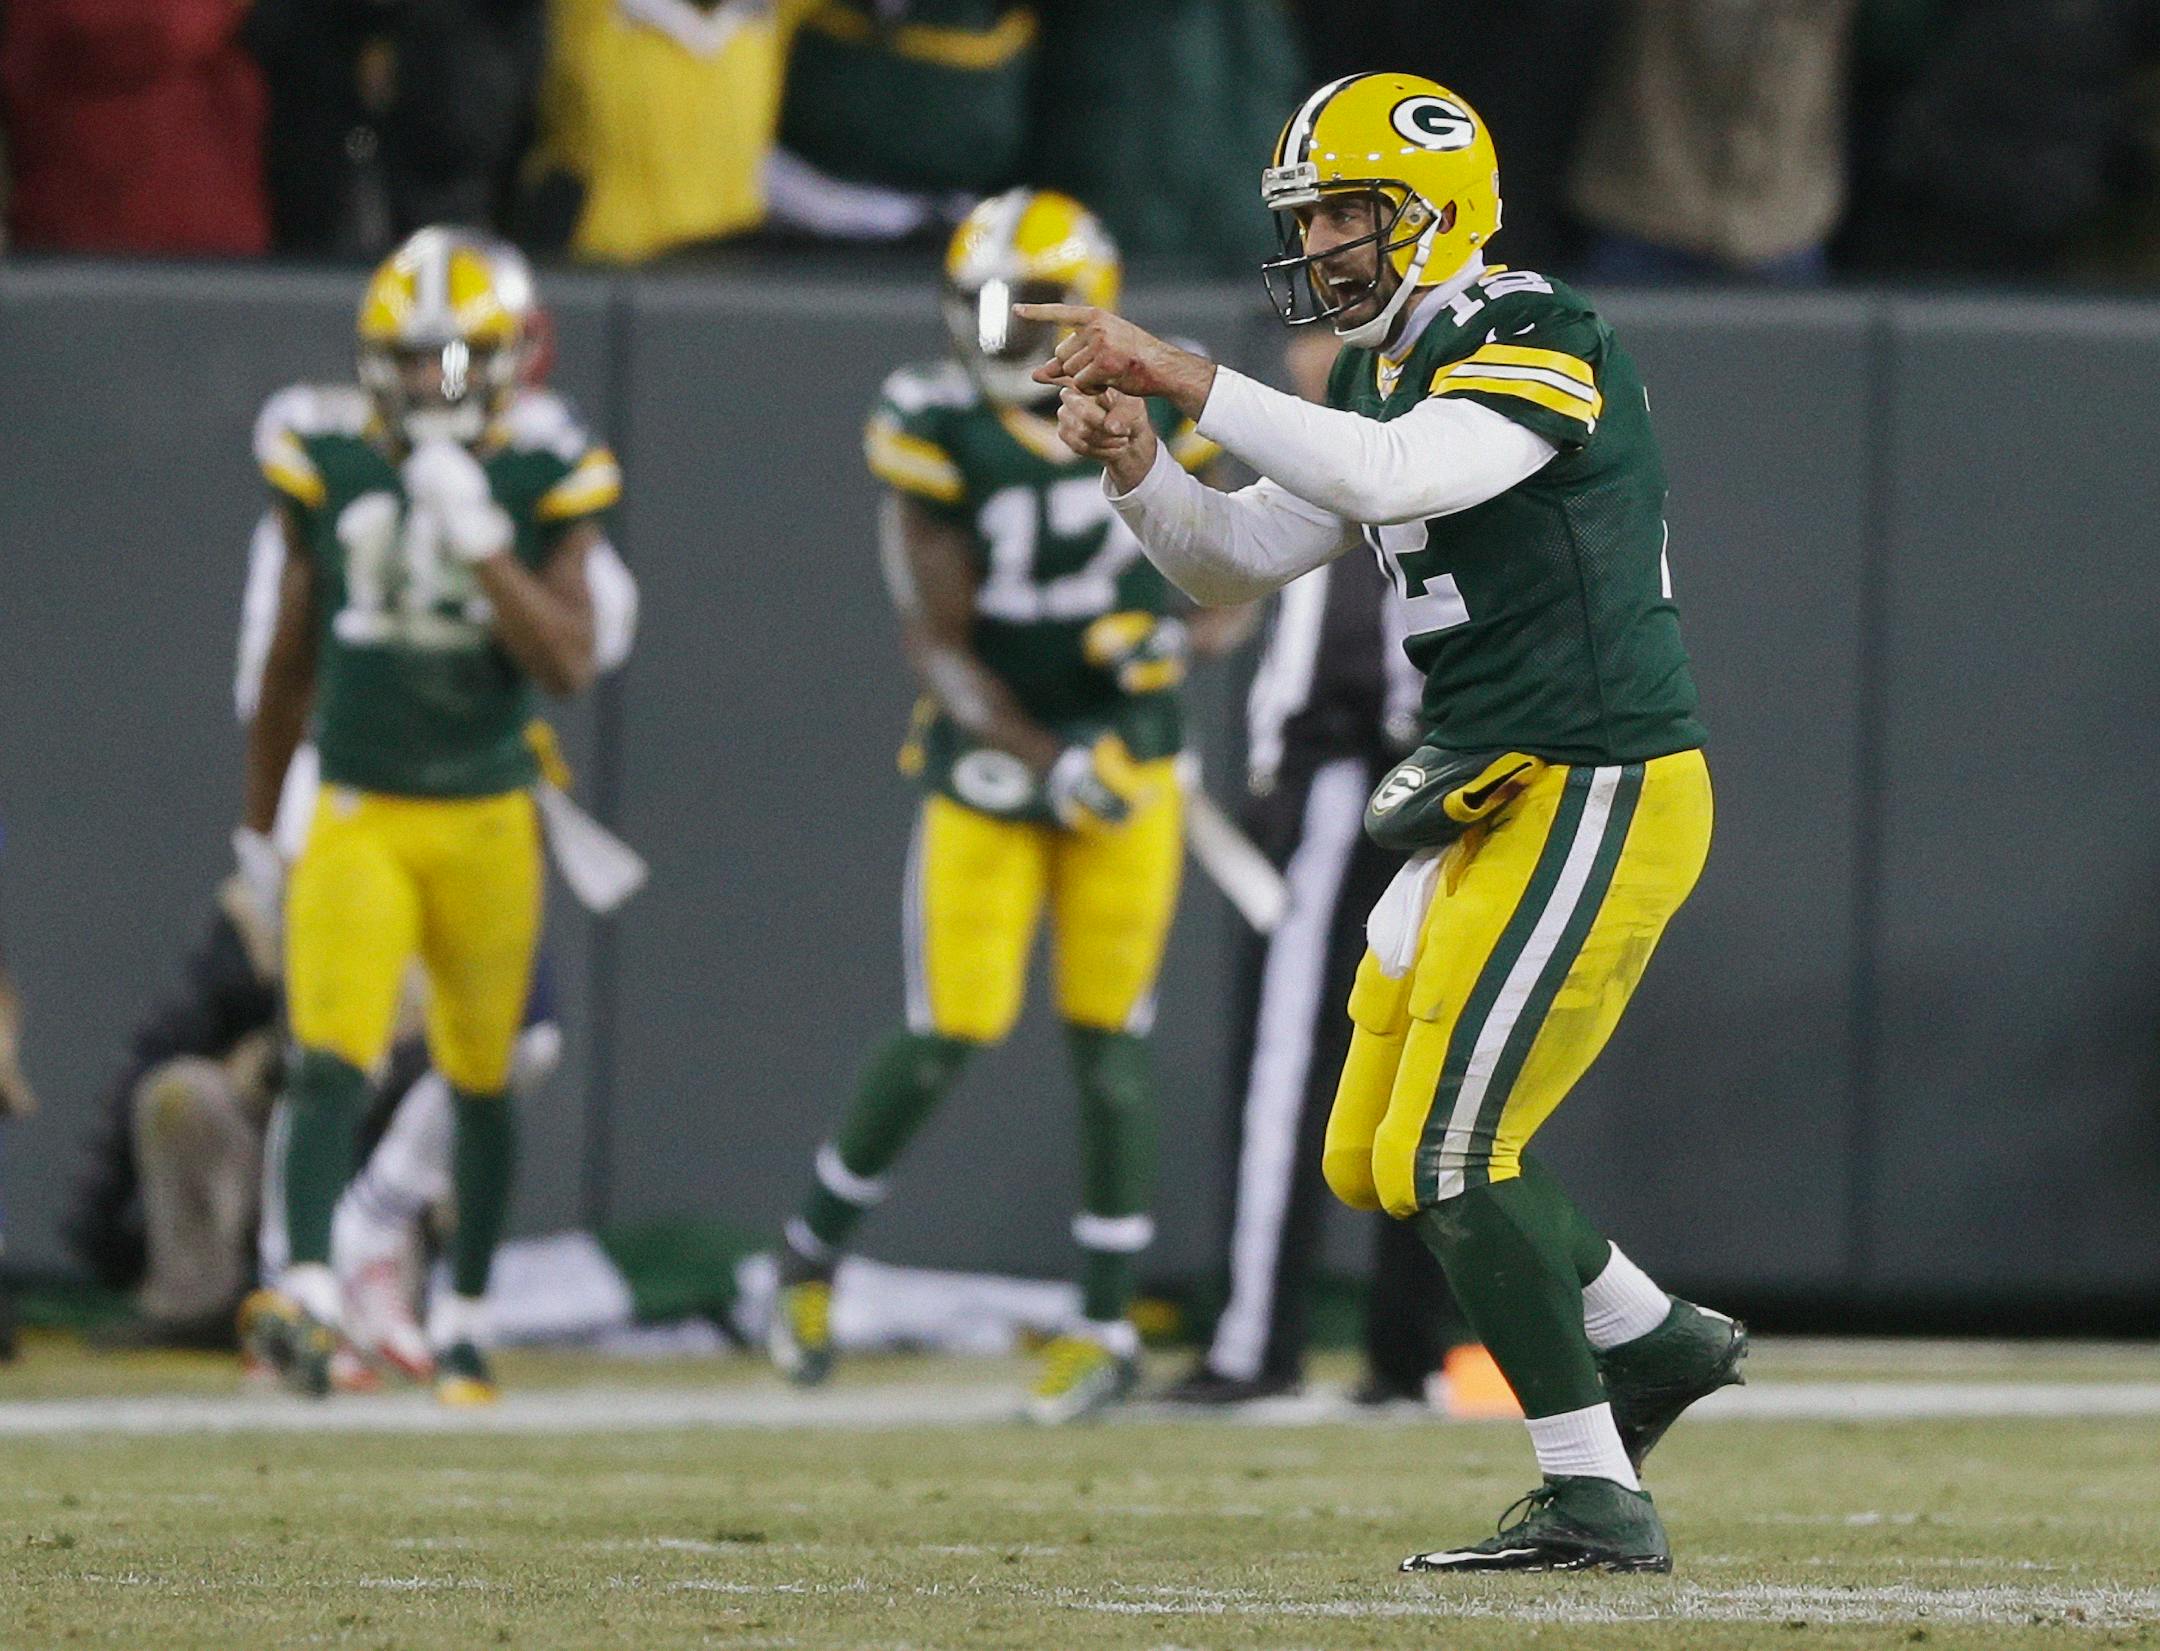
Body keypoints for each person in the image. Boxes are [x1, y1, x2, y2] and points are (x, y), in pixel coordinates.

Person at [1028, 73, 1745, 1570]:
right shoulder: (1381, 369)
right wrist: (1141, 469)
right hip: (1491, 783)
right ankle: (1655, 1334)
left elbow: (1412, 473)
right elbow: (1236, 561)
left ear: (1444, 207)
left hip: (1598, 777)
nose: (1331, 247)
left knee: (1450, 1151)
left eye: (1353, 213)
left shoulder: (1539, 334)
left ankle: (1594, 1489)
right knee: (1371, 1152)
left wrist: (1188, 376)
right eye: (1314, 220)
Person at [764, 188, 1244, 1423]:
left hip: (1130, 756)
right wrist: (1046, 760)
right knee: (951, 1026)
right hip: (997, 760)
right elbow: (937, 642)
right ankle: (807, 1258)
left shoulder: (1162, 400)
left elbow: (1247, 566)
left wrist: (1176, 648)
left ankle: (1102, 1320)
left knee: (1111, 1046)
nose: (995, 336)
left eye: (1019, 310)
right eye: (981, 308)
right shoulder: (934, 422)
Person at [238, 224, 620, 1404]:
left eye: (450, 362)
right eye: (405, 361)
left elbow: (566, 659)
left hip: (486, 810)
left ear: (509, 358)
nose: (422, 387)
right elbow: (289, 662)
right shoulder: (323, 450)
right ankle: (305, 1291)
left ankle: (464, 1313)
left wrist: (486, 546)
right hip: (359, 802)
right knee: (329, 1052)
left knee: (489, 1068)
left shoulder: (546, 464)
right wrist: (259, 830)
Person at [1163, 334, 1473, 1410]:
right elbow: (1222, 598)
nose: (1311, 355)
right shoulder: (1393, 442)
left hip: (1354, 780)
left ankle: (1262, 1340)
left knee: (1303, 1064)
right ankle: (1403, 1352)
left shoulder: (1390, 445)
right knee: (1414, 1067)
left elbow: (1345, 647)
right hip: (1424, 783)